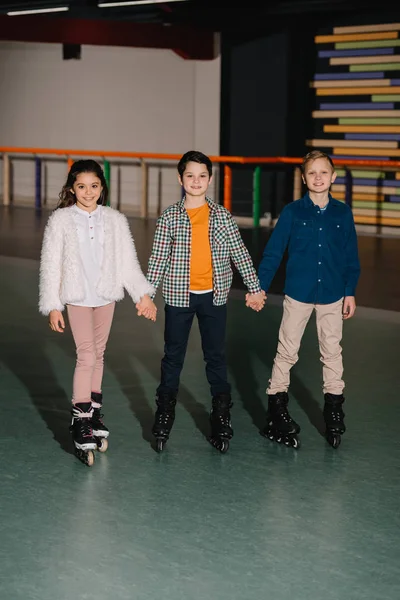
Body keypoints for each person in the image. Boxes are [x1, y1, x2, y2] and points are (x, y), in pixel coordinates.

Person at [146, 150, 265, 453]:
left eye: (202, 176)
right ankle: (165, 411)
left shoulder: (222, 217)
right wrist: (146, 294)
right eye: (190, 176)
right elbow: (158, 258)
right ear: (180, 179)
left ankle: (221, 414)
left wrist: (254, 288)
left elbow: (240, 253)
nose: (196, 181)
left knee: (215, 356)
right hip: (178, 297)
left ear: (210, 180)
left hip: (214, 298)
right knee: (173, 356)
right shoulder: (170, 216)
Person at [39, 159, 157, 466]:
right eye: (81, 186)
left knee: (99, 354)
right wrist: (53, 304)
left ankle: (93, 412)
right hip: (77, 296)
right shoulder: (61, 220)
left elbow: (127, 262)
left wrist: (142, 296)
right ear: (71, 189)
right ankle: (81, 419)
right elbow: (51, 264)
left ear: (102, 188)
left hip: (105, 295)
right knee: (86, 355)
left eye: (94, 186)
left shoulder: (115, 220)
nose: (88, 192)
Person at [251, 150, 360, 449]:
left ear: (333, 176)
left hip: (332, 296)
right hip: (298, 294)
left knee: (331, 351)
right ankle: (276, 406)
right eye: (312, 173)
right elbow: (273, 253)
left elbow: (351, 257)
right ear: (303, 178)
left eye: (324, 172)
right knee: (287, 350)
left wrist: (350, 291)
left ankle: (334, 409)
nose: (318, 178)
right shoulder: (292, 212)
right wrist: (259, 287)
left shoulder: (343, 213)